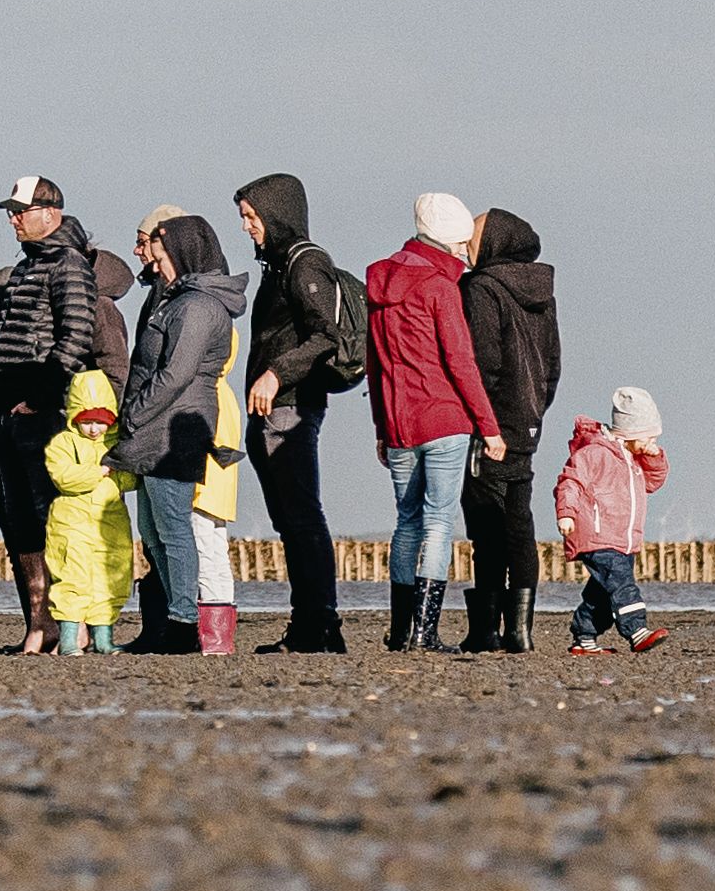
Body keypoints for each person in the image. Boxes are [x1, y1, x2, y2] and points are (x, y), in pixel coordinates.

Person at [0, 174, 114, 654]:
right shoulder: (26, 266)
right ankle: (38, 625)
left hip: (39, 412)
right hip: (5, 409)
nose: (12, 219)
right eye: (10, 211)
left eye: (20, 211)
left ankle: (66, 624)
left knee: (49, 518)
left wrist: (42, 395)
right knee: (19, 522)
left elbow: (75, 337)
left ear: (50, 213)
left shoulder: (68, 266)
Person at [362, 193, 501, 654]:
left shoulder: (379, 283)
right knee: (439, 523)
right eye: (462, 244)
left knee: (406, 522)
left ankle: (402, 631)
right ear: (447, 241)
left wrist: (382, 427)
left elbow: (375, 363)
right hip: (444, 419)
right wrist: (490, 426)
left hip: (400, 422)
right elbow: (461, 362)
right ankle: (424, 632)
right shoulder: (440, 288)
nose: (465, 253)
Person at [231, 175, 362, 654]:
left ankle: (321, 625)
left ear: (277, 212)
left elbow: (324, 335)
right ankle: (308, 624)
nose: (247, 227)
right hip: (271, 412)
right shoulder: (278, 265)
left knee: (303, 518)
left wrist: (275, 374)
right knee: (290, 522)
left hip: (292, 408)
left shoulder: (307, 262)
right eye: (244, 217)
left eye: (252, 216)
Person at [111, 212, 238, 655]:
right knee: (152, 529)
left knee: (174, 528)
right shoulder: (174, 300)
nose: (156, 265)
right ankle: (171, 617)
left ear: (182, 255)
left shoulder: (198, 306)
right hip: (153, 430)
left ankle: (184, 622)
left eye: (162, 256)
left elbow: (176, 374)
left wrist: (134, 415)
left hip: (173, 431)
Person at [458, 209, 564, 652]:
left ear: (496, 241)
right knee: (519, 524)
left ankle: (486, 631)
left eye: (474, 237)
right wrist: (535, 406)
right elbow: (554, 364)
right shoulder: (542, 292)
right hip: (528, 420)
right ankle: (520, 632)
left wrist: (479, 419)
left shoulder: (482, 288)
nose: (466, 245)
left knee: (485, 526)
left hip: (491, 422)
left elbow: (484, 362)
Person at [553, 389, 669, 653]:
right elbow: (570, 482)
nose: (652, 442)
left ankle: (584, 638)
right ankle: (637, 630)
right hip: (598, 536)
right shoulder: (594, 453)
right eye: (648, 437)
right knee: (621, 584)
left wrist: (652, 456)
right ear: (629, 432)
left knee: (602, 594)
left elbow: (653, 482)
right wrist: (567, 513)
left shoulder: (634, 461)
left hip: (623, 540)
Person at [37, 370, 140, 650]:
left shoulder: (115, 445)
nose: (94, 429)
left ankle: (104, 641)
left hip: (110, 522)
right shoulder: (63, 443)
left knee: (111, 578)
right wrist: (101, 471)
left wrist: (121, 469)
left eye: (101, 422)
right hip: (71, 523)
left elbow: (130, 480)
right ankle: (69, 641)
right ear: (75, 417)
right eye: (88, 422)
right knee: (71, 578)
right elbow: (63, 477)